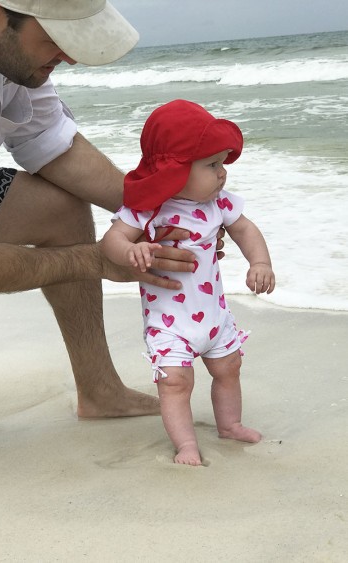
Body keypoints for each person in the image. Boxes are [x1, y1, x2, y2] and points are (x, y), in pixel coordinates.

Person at [0, 1, 224, 483]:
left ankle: (100, 390)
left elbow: (49, 139)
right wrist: (96, 261)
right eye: (56, 37)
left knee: (60, 207)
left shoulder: (1, 49)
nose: (69, 56)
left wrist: (156, 218)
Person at [102, 100, 275, 466]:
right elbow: (112, 240)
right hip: (170, 323)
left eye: (223, 163)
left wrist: (260, 262)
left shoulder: (219, 203)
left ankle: (230, 425)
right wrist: (131, 252)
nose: (222, 173)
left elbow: (245, 229)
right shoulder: (148, 208)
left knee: (228, 369)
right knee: (175, 382)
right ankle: (186, 445)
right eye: (212, 165)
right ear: (174, 170)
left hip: (214, 316)